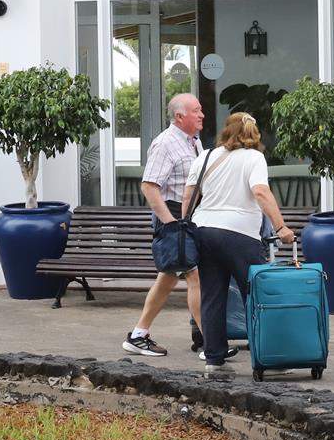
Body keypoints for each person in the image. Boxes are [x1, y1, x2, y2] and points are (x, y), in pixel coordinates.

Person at [181, 112, 295, 371]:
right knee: (256, 295)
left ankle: (214, 358)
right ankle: (270, 357)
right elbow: (260, 192)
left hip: (204, 230)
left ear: (226, 131)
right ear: (253, 134)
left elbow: (188, 198)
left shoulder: (206, 156)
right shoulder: (254, 158)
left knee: (212, 295)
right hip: (240, 235)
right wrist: (281, 226)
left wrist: (187, 227)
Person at [124, 93, 206, 358]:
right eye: (196, 111)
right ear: (180, 116)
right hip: (172, 215)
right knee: (195, 276)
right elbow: (149, 186)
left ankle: (138, 334)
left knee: (168, 278)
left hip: (187, 216)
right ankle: (211, 342)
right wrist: (170, 223)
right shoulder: (165, 143)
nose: (202, 114)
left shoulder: (194, 141)